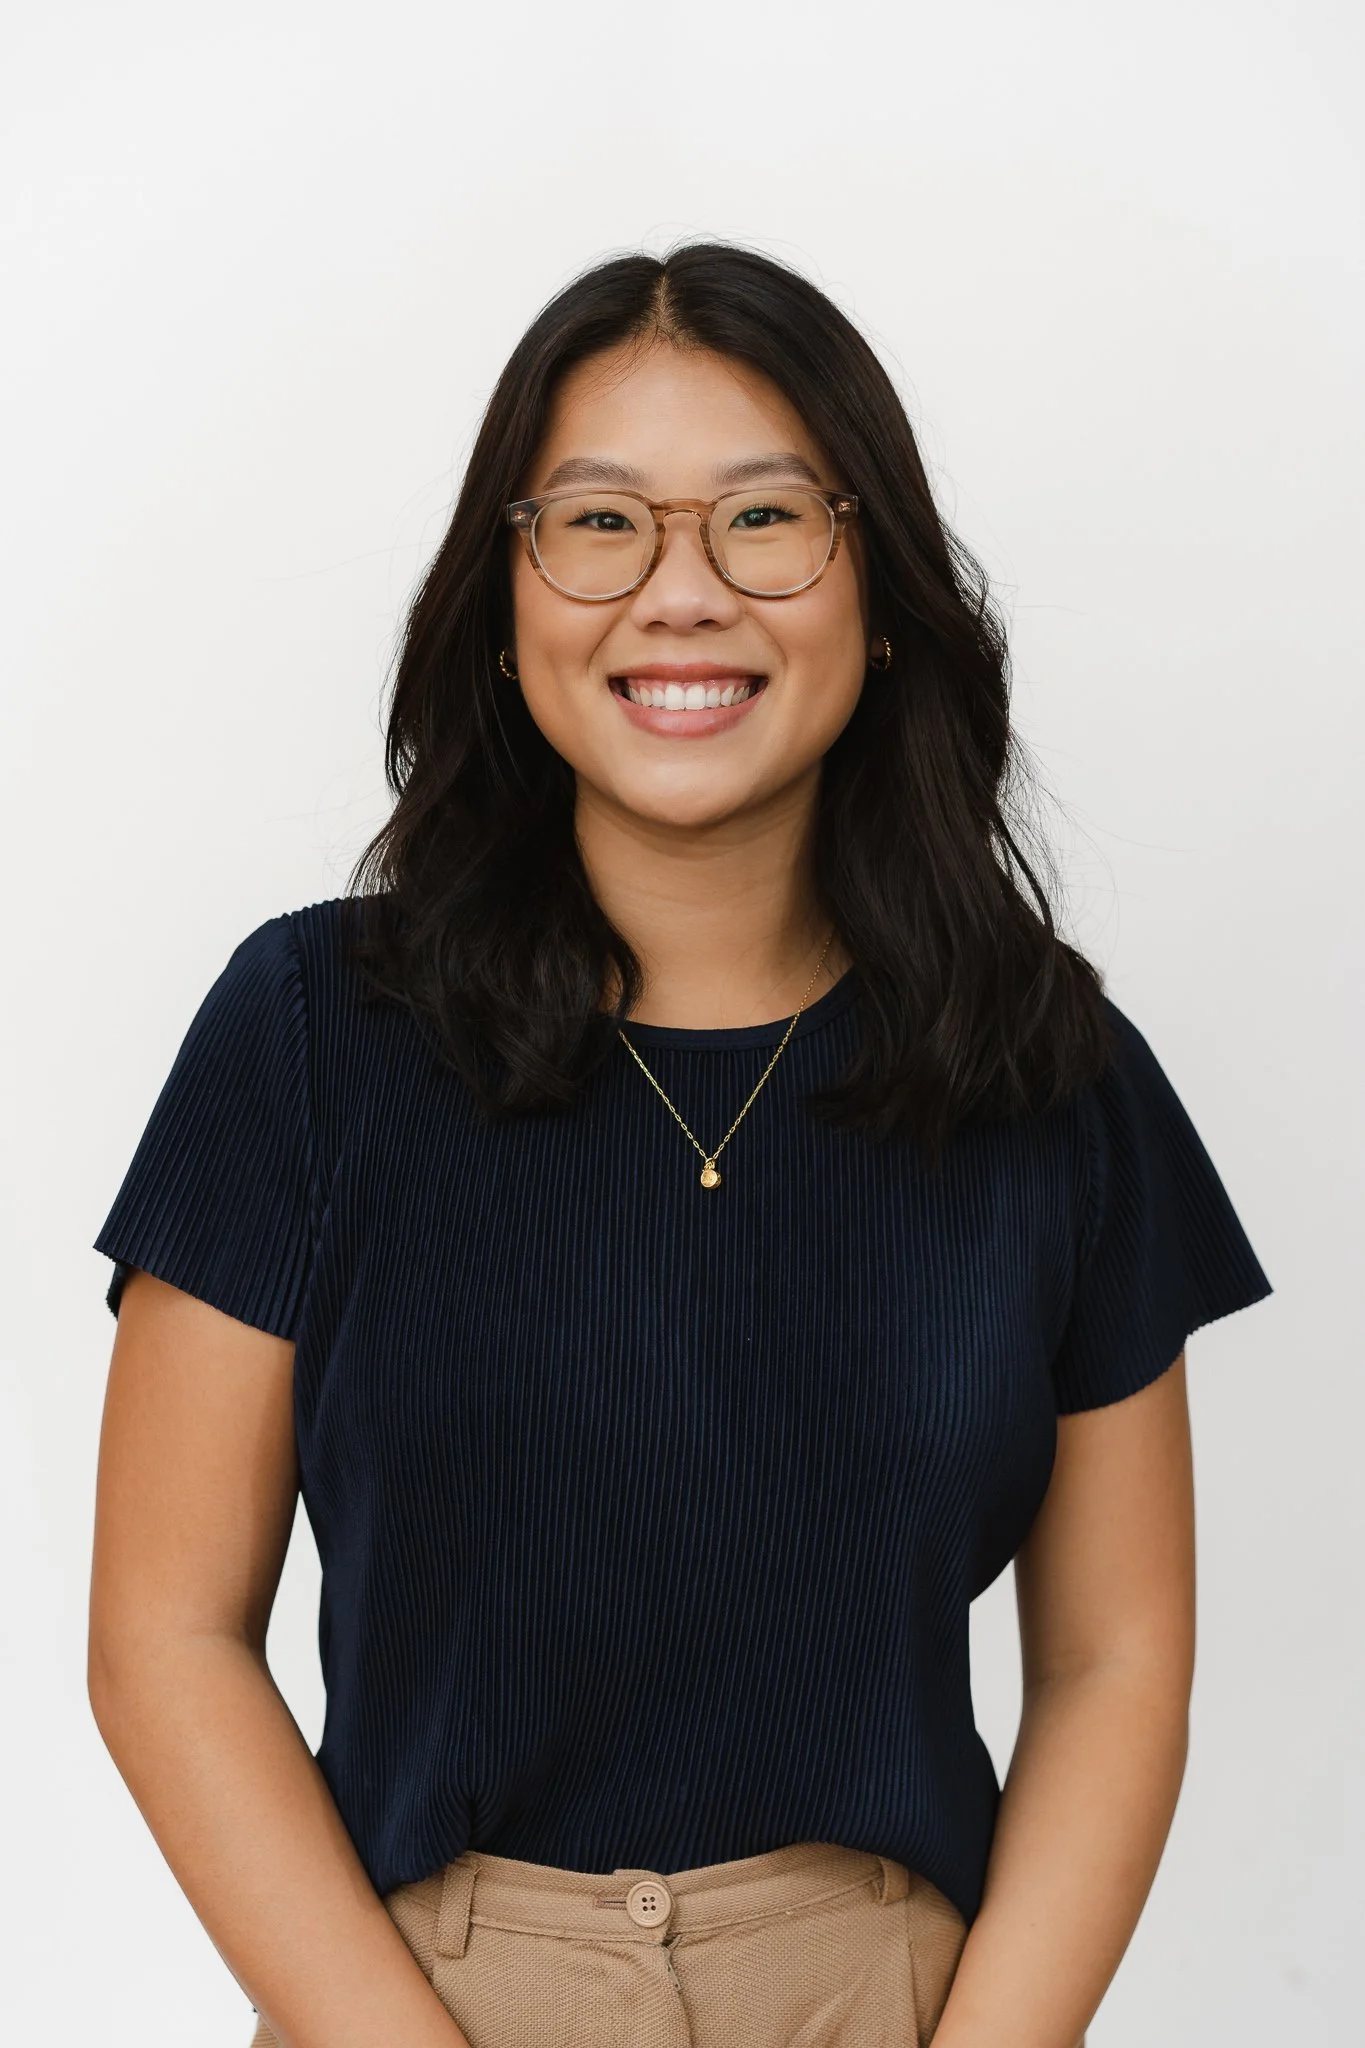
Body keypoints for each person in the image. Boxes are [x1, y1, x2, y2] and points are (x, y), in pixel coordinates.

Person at [88, 241, 1272, 2048]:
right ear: (507, 597)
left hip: (892, 1999)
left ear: (878, 597)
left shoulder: (1048, 1068)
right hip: (414, 2004)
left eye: (766, 518)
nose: (682, 594)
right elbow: (164, 1638)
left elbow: (1117, 1665)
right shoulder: (313, 1036)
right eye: (601, 523)